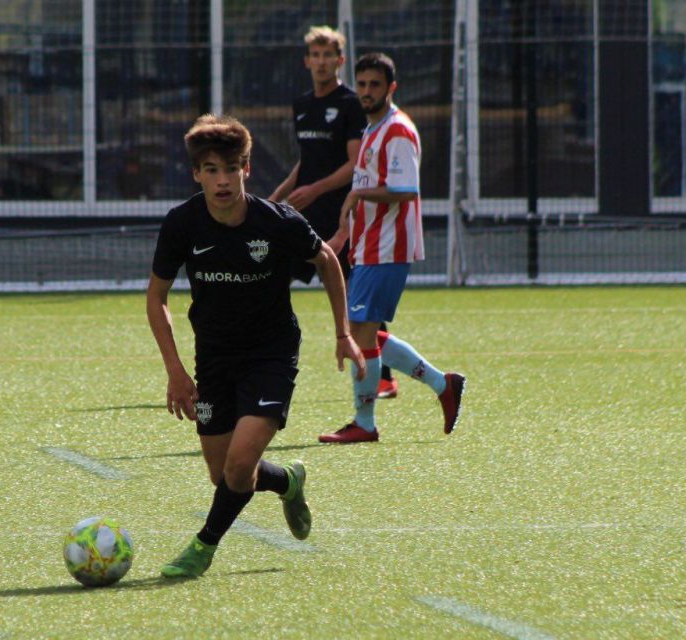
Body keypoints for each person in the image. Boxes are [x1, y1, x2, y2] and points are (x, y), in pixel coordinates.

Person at [147, 114, 365, 578]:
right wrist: (175, 371)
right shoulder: (182, 223)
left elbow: (327, 259)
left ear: (246, 169)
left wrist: (343, 333)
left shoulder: (276, 222)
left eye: (231, 169)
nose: (222, 181)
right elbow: (156, 297)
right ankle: (287, 481)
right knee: (225, 473)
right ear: (196, 174)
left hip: (271, 353)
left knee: (240, 462)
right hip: (214, 357)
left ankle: (202, 547)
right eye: (211, 170)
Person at [320, 53, 466, 444]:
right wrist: (346, 231)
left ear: (392, 88)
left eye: (375, 85)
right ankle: (443, 384)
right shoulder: (373, 129)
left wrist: (356, 195)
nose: (367, 92)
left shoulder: (397, 130)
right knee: (361, 332)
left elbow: (405, 191)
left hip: (388, 247)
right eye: (362, 84)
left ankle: (365, 423)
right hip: (369, 245)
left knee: (361, 333)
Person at [269, 25, 400, 399]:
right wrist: (276, 197)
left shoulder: (350, 103)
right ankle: (263, 359)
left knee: (359, 301)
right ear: (306, 61)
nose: (322, 62)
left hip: (341, 217)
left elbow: (354, 163)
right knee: (272, 277)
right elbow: (307, 162)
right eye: (316, 55)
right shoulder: (302, 105)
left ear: (340, 60)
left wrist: (315, 189)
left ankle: (384, 376)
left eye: (329, 55)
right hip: (305, 216)